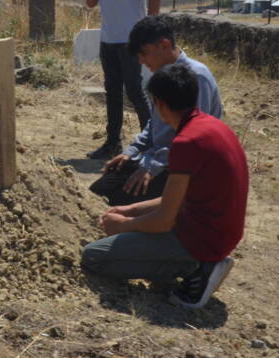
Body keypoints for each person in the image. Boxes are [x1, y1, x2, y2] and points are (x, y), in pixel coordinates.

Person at [81, 64, 248, 309]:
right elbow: (177, 199)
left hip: (201, 240)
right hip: (218, 231)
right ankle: (194, 262)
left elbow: (163, 221)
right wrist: (131, 211)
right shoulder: (212, 126)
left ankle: (195, 267)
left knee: (93, 256)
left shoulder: (185, 142)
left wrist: (123, 226)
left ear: (159, 104)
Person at [90, 16, 223, 206]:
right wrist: (132, 151)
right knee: (98, 192)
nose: (142, 61)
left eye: (144, 53)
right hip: (155, 157)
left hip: (180, 166)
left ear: (165, 44)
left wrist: (152, 167)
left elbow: (193, 140)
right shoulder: (163, 75)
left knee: (118, 202)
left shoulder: (195, 77)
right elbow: (155, 123)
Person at [82, 0, 162, 159]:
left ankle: (151, 142)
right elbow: (90, 1)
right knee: (113, 92)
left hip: (130, 40)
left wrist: (148, 29)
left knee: (135, 91)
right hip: (108, 39)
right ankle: (112, 143)